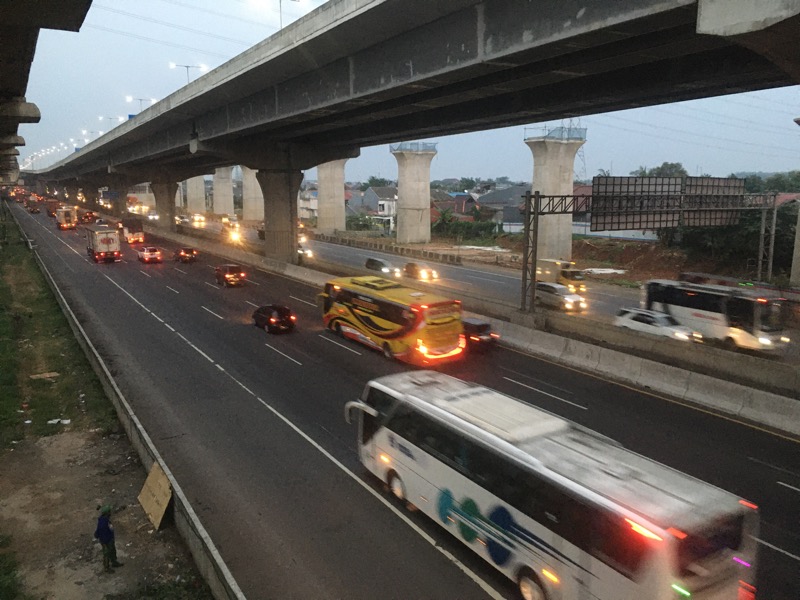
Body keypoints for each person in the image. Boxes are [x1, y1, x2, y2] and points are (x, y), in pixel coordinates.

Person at [94, 505, 123, 572]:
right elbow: (100, 531)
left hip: (109, 539)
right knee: (106, 553)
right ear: (107, 513)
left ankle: (114, 562)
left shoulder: (105, 520)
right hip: (106, 540)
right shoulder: (103, 523)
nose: (110, 513)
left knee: (112, 550)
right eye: (109, 512)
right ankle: (106, 567)